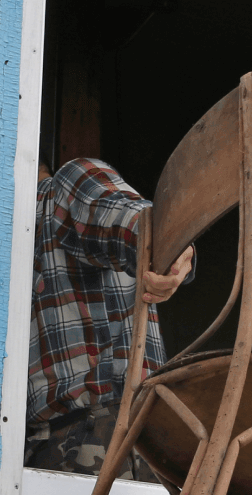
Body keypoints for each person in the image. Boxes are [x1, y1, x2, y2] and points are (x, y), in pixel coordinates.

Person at [27, 157, 195, 476]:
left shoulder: (58, 189)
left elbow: (131, 219)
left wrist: (165, 242)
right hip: (57, 443)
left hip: (97, 432)